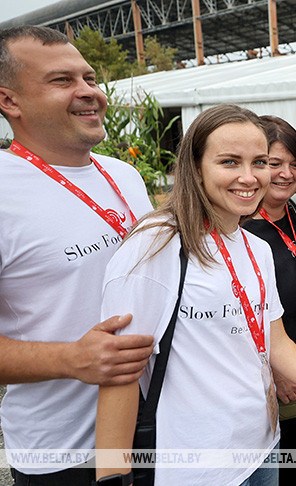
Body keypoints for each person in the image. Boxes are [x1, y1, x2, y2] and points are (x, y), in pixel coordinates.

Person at [94, 105, 296, 486]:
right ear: (195, 168)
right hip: (194, 467)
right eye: (230, 162)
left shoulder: (254, 247)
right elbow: (119, 374)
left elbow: (273, 339)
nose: (249, 178)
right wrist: (112, 476)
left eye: (259, 162)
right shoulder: (155, 246)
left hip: (262, 448)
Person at [0, 26, 154, 484]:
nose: (90, 93)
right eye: (62, 80)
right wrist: (71, 359)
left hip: (160, 425)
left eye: (89, 78)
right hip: (66, 454)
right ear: (10, 101)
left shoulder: (123, 173)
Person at [242, 115, 296, 485]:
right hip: (278, 367)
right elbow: (243, 313)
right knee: (289, 464)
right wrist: (276, 371)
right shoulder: (243, 226)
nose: (286, 174)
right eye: (274, 163)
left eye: (295, 165)